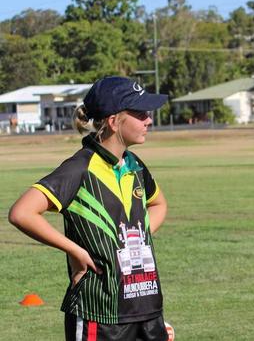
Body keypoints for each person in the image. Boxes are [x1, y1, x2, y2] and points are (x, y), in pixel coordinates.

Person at [8, 76, 170, 341]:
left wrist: (135, 240)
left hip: (147, 307)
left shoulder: (135, 165)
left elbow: (159, 204)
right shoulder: (79, 168)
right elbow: (22, 213)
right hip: (100, 313)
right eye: (140, 113)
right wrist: (74, 250)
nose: (148, 120)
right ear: (113, 120)